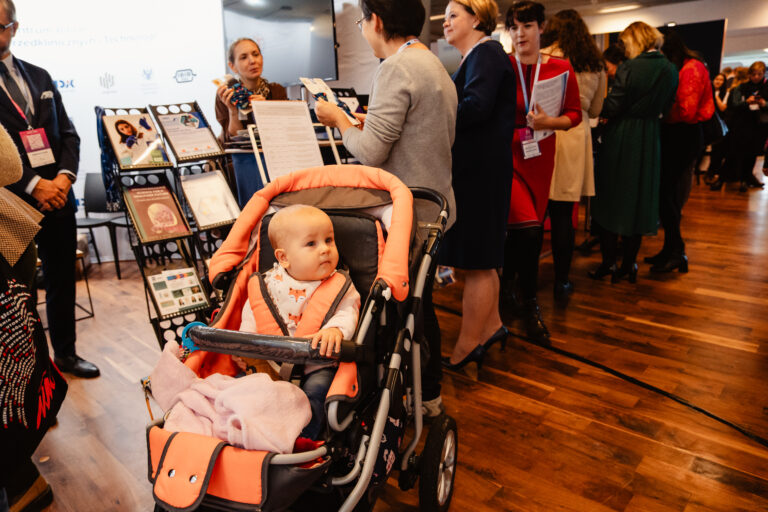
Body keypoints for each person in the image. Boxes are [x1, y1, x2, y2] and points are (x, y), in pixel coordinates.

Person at [315, 0, 457, 417]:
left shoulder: (395, 68)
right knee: (420, 303)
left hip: (410, 212)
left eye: (361, 21)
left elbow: (371, 152)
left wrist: (339, 121)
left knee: (405, 308)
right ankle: (427, 392)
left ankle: (410, 395)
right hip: (436, 206)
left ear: (376, 20)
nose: (362, 29)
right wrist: (363, 119)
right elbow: (413, 133)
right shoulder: (430, 63)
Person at [0, 0, 99, 377]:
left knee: (62, 280)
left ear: (14, 27)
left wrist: (62, 179)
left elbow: (68, 135)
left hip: (58, 197)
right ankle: (33, 374)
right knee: (20, 291)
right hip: (11, 202)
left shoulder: (39, 76)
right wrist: (34, 184)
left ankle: (67, 356)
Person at [239, 205, 360, 440]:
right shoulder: (269, 284)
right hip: (270, 363)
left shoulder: (340, 285)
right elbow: (253, 312)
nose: (325, 250)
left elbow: (348, 311)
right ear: (283, 258)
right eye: (311, 244)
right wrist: (245, 347)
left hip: (317, 364)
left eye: (329, 240)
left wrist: (335, 329)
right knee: (245, 388)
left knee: (316, 394)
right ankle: (254, 431)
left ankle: (301, 440)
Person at [438, 0, 515, 370]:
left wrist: (431, 111)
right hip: (482, 170)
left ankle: (467, 346)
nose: (445, 23)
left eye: (453, 15)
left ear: (477, 18)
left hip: (480, 173)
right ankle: (493, 326)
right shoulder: (480, 56)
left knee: (479, 263)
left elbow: (474, 107)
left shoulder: (485, 53)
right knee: (483, 260)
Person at [502, 1, 581, 344]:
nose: (520, 34)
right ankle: (530, 303)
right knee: (529, 231)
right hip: (507, 158)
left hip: (541, 156)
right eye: (515, 27)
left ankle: (509, 294)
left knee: (523, 231)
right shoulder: (503, 67)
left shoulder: (561, 68)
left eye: (527, 26)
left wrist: (550, 122)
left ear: (541, 28)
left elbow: (575, 114)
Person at [1, 122, 67, 512]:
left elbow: (8, 164)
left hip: (7, 236)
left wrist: (55, 181)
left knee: (12, 370)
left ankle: (19, 476)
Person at [589, 22, 678, 283]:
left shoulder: (630, 67)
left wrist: (597, 108)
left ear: (635, 41)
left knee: (610, 197)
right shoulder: (670, 69)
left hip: (623, 136)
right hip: (650, 137)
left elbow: (613, 105)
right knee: (639, 199)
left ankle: (608, 263)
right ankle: (629, 266)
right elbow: (669, 106)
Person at [540, 9, 606, 300]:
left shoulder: (544, 56)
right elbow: (596, 110)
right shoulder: (594, 63)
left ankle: (520, 281)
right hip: (575, 136)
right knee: (564, 215)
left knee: (533, 212)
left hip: (542, 135)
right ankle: (562, 280)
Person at [646, 31, 713, 273]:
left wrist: (659, 109)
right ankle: (671, 249)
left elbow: (686, 110)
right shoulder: (685, 66)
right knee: (667, 195)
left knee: (668, 195)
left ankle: (677, 251)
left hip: (684, 135)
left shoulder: (692, 68)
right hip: (676, 135)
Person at [215, 37, 288, 204]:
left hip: (273, 155)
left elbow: (284, 132)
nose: (252, 61)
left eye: (256, 54)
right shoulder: (225, 94)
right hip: (242, 159)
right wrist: (233, 112)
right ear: (232, 66)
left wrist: (266, 110)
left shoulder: (276, 91)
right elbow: (232, 140)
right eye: (243, 57)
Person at [720, 61, 767, 192]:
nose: (756, 77)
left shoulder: (766, 88)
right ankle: (723, 179)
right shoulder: (741, 87)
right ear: (749, 74)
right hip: (741, 125)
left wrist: (763, 104)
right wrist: (746, 102)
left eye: (759, 74)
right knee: (734, 152)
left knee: (752, 155)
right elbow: (734, 105)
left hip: (758, 126)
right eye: (754, 74)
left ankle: (745, 180)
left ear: (763, 74)